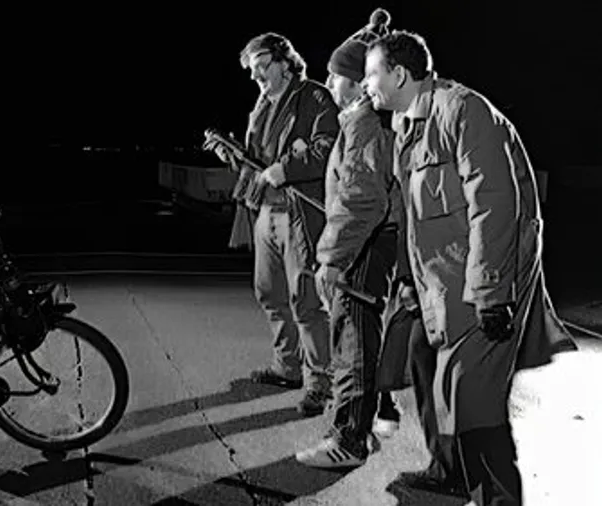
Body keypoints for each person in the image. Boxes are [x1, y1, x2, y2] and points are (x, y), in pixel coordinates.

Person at [363, 30, 578, 505]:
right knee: (422, 358)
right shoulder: (405, 125)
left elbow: (495, 204)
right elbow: (413, 215)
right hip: (440, 283)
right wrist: (409, 278)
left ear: (399, 74)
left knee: (471, 397)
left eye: (371, 73)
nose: (365, 85)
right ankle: (448, 471)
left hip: (481, 284)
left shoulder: (464, 111)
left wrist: (491, 293)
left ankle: (499, 498)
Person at [293, 8, 401, 467]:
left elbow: (361, 200)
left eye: (335, 75)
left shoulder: (364, 125)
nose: (328, 82)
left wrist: (331, 259)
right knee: (359, 336)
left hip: (365, 244)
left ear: (357, 84)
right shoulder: (360, 121)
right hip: (369, 240)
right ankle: (365, 424)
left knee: (353, 339)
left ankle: (349, 440)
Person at [215, 32, 339, 415]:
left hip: (299, 213)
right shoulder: (262, 106)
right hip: (266, 211)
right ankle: (287, 367)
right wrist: (233, 155)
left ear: (285, 61)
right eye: (251, 71)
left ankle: (320, 382)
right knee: (269, 292)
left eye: (262, 67)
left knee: (306, 299)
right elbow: (258, 163)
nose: (256, 77)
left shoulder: (315, 97)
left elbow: (328, 148)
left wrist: (286, 169)